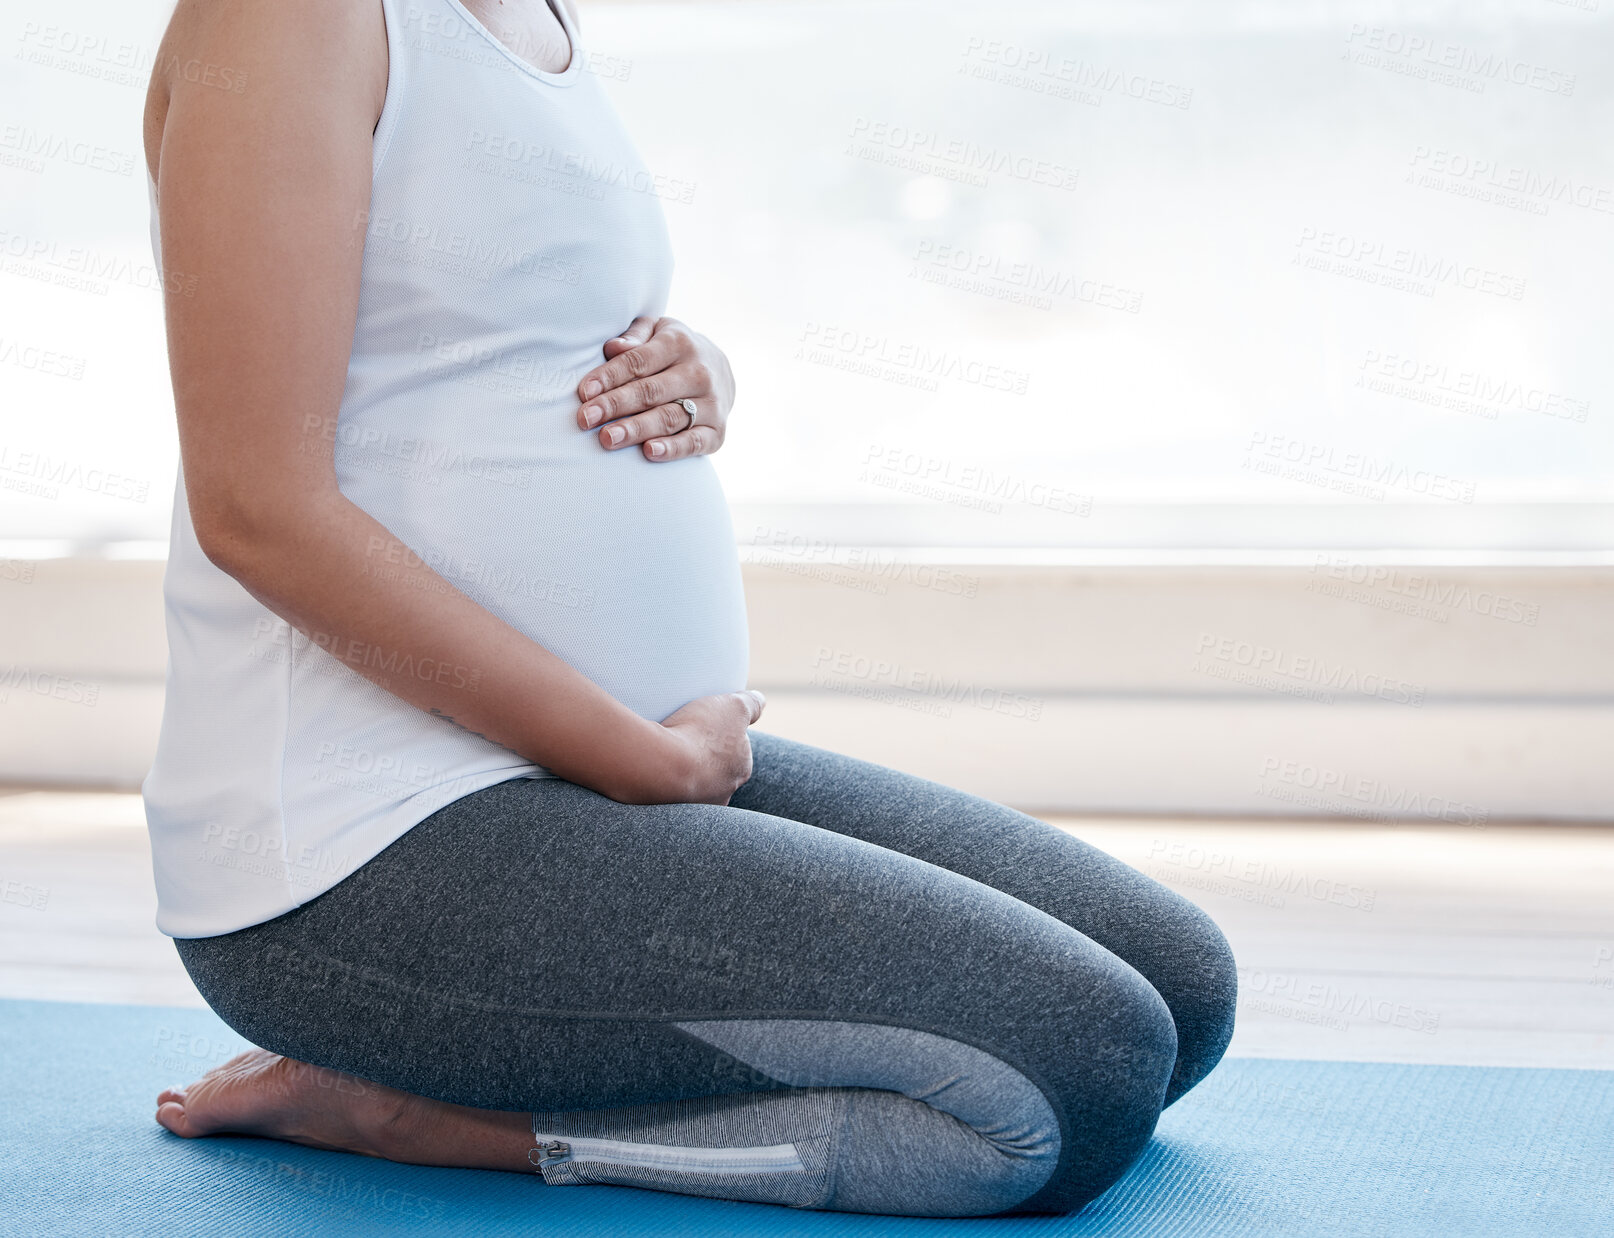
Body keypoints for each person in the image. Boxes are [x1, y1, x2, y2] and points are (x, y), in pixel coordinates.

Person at [140, 0, 1236, 1217]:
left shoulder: (521, 14)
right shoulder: (290, 16)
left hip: (580, 772)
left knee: (1179, 991)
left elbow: (489, 338)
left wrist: (695, 369)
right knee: (1077, 1072)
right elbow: (257, 508)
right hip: (362, 849)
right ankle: (448, 1118)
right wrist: (645, 762)